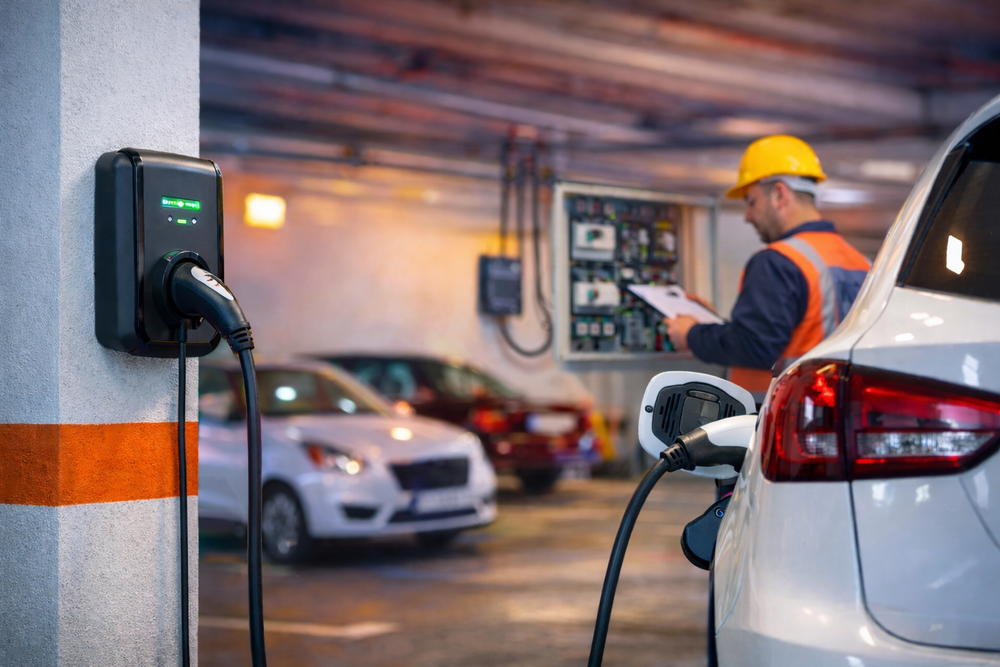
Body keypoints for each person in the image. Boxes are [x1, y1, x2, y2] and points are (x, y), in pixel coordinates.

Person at [664, 135, 871, 399]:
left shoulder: (777, 261)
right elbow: (797, 334)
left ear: (779, 194)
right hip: (832, 413)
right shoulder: (861, 262)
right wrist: (717, 326)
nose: (747, 216)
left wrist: (692, 334)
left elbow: (755, 347)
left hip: (780, 414)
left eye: (751, 201)